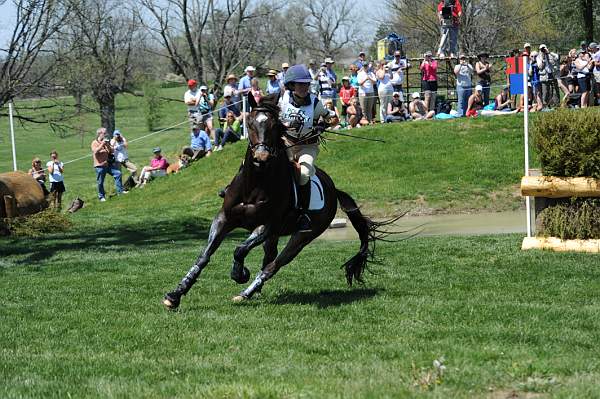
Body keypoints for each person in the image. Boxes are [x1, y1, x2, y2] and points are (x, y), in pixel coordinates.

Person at [279, 64, 333, 232]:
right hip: (286, 143)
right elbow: (272, 120)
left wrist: (322, 125)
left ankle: (303, 214)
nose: (304, 87)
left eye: (306, 84)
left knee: (303, 174)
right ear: (291, 85)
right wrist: (286, 125)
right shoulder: (282, 100)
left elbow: (332, 118)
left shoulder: (315, 103)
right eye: (300, 84)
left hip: (306, 147)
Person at [91, 127, 124, 202]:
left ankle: (120, 191)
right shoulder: (94, 142)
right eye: (104, 133)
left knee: (118, 173)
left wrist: (108, 145)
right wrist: (102, 143)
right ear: (100, 134)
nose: (106, 134)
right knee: (100, 182)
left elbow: (111, 151)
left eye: (106, 133)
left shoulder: (106, 142)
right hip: (99, 166)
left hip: (107, 164)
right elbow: (95, 151)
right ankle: (101, 196)